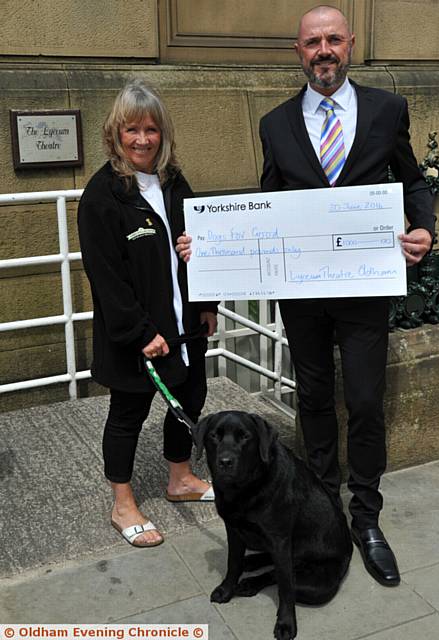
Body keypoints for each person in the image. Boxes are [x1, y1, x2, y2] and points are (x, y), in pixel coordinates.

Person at [177, 5, 434, 586]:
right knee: (314, 400)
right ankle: (322, 509)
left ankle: (365, 517)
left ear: (350, 45)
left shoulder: (387, 109)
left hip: (367, 287)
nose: (324, 50)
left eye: (334, 40)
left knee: (365, 403)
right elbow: (268, 205)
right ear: (299, 51)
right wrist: (212, 249)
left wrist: (424, 228)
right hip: (303, 296)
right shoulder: (276, 123)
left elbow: (412, 179)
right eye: (312, 41)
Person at [78, 79, 218, 548]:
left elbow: (203, 246)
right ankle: (122, 504)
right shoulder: (102, 196)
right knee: (127, 415)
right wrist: (140, 332)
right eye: (131, 130)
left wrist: (205, 304)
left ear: (164, 134)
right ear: (115, 133)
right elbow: (107, 278)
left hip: (185, 328)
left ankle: (179, 478)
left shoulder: (174, 182)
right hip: (139, 337)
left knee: (189, 403)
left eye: (151, 129)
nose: (142, 139)